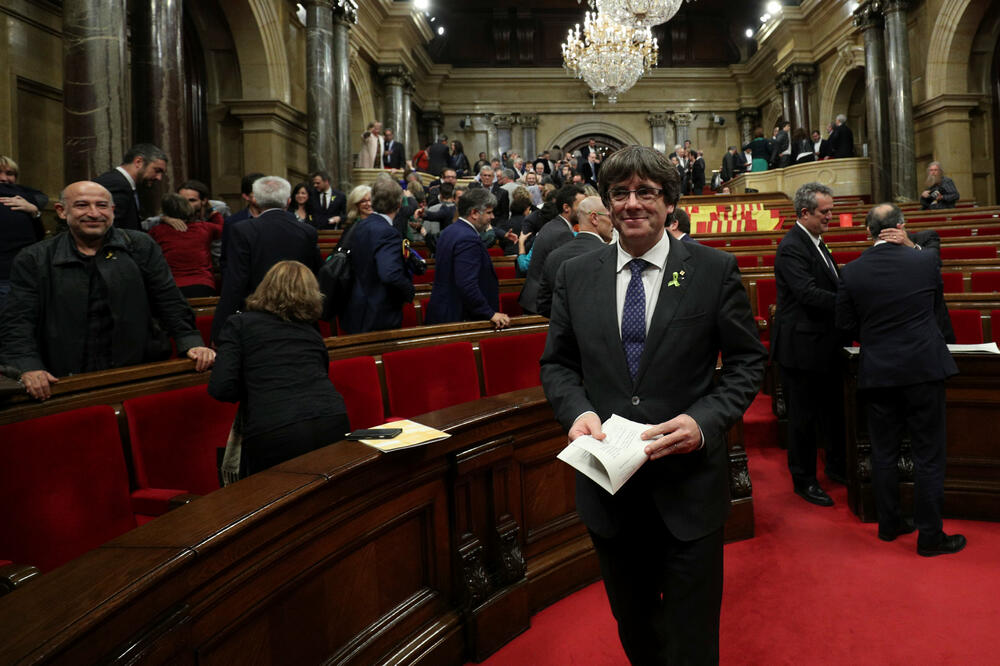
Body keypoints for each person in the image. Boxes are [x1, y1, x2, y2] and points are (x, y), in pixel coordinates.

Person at [540, 145, 765, 664]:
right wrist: (576, 412)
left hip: (688, 491)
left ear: (669, 204)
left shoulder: (711, 270)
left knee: (691, 638)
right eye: (620, 193)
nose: (632, 203)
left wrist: (703, 421)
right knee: (637, 630)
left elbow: (747, 363)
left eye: (647, 192)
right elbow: (558, 364)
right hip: (610, 493)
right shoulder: (577, 275)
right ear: (606, 204)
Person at [0, 181, 215, 400]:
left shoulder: (140, 245)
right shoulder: (34, 258)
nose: (94, 213)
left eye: (102, 205)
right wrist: (28, 367)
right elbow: (18, 320)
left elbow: (169, 300)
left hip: (134, 371)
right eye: (82, 205)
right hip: (65, 378)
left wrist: (191, 343)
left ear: (112, 211)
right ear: (62, 211)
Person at [835, 203, 965, 556]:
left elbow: (845, 326)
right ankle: (929, 536)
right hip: (923, 368)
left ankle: (889, 525)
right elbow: (936, 299)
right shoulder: (924, 260)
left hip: (879, 370)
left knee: (884, 451)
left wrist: (876, 336)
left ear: (867, 234)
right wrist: (911, 244)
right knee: (928, 454)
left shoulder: (852, 272)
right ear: (902, 227)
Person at [209, 260, 350, 479]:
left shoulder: (240, 324)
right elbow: (321, 372)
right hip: (331, 419)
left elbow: (221, 387)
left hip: (276, 426)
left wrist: (259, 386)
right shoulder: (311, 332)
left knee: (280, 504)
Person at [772, 182, 850, 506]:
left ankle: (835, 466)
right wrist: (849, 301)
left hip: (823, 344)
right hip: (801, 348)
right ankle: (803, 480)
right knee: (803, 420)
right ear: (804, 213)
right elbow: (806, 293)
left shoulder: (816, 241)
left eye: (831, 210)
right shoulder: (793, 245)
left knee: (833, 412)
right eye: (825, 212)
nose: (830, 217)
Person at [211, 176, 322, 343]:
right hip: (298, 317)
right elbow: (315, 276)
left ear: (257, 200)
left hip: (257, 320)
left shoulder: (243, 230)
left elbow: (235, 282)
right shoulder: (307, 231)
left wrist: (219, 331)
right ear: (288, 201)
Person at [424, 188, 509, 329]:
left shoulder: (451, 230)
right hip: (458, 317)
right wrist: (490, 314)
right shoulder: (468, 238)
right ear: (474, 213)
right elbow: (467, 284)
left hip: (444, 312)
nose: (492, 217)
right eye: (489, 212)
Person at [339, 177, 414, 333]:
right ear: (399, 204)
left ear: (373, 201)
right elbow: (390, 274)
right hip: (377, 314)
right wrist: (409, 291)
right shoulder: (388, 232)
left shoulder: (359, 226)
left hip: (355, 307)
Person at [535, 195, 612, 318]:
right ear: (594, 218)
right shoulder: (610, 255)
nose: (614, 223)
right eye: (610, 216)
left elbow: (544, 306)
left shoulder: (553, 256)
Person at [518, 184, 585, 314]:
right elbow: (561, 276)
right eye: (581, 206)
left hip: (533, 298)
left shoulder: (553, 225)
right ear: (566, 207)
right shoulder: (562, 233)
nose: (585, 211)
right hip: (540, 303)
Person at [149, 192, 223, 298]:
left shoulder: (156, 231)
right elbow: (223, 229)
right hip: (202, 284)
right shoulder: (203, 228)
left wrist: (163, 218)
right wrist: (212, 210)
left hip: (170, 286)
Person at [0, 156, 45, 309]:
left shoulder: (23, 198)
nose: (4, 178)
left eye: (10, 173)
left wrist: (34, 211)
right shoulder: (27, 196)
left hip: (23, 273)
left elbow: (39, 236)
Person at [94, 143, 168, 231]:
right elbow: (111, 230)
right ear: (138, 162)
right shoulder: (117, 184)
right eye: (157, 170)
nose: (159, 178)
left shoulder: (122, 183)